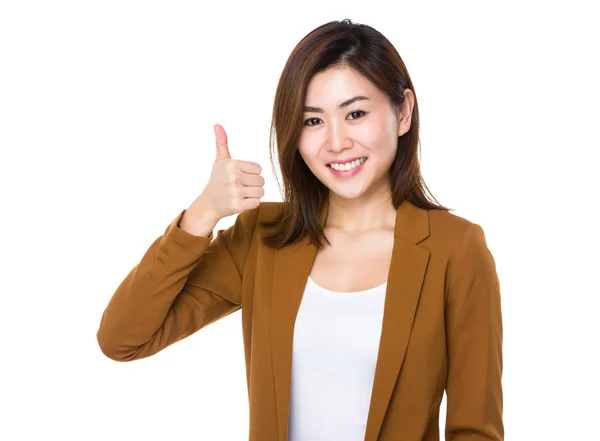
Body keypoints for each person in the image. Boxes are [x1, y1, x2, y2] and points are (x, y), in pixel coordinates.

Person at [96, 18, 503, 441]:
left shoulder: (455, 247)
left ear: (403, 112)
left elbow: (475, 430)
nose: (336, 142)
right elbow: (122, 339)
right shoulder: (264, 237)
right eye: (312, 121)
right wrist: (203, 213)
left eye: (356, 113)